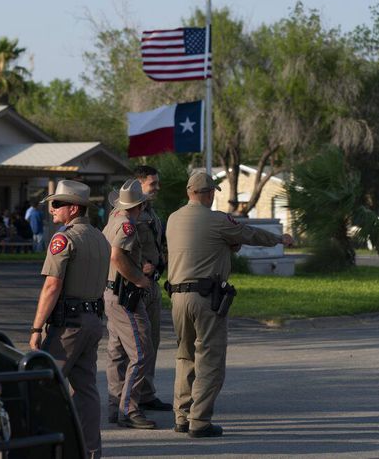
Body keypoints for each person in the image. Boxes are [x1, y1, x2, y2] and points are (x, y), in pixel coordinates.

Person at [166, 172, 293, 438]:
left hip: (177, 298)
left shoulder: (173, 218)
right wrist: (279, 239)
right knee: (210, 359)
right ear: (210, 193)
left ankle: (182, 416)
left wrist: (225, 247)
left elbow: (202, 247)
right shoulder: (217, 220)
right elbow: (248, 234)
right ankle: (199, 422)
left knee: (184, 356)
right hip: (205, 298)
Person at [29, 180, 110, 459]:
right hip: (92, 319)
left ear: (73, 208)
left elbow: (52, 285)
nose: (51, 209)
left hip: (69, 325)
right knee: (86, 389)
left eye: (57, 203)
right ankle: (89, 451)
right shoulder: (100, 237)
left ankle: (40, 449)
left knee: (42, 384)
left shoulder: (64, 238)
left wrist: (36, 327)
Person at [102, 179, 157, 429]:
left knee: (117, 351)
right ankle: (130, 408)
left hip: (110, 292)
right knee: (142, 350)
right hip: (125, 295)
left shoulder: (113, 220)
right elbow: (116, 256)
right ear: (140, 206)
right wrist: (139, 279)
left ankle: (116, 405)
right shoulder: (127, 227)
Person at [133, 165, 172, 411]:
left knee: (152, 342)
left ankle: (146, 393)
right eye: (152, 184)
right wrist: (139, 268)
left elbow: (157, 245)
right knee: (134, 345)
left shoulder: (151, 212)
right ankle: (126, 399)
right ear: (138, 185)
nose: (157, 188)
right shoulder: (127, 213)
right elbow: (118, 248)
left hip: (153, 283)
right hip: (134, 285)